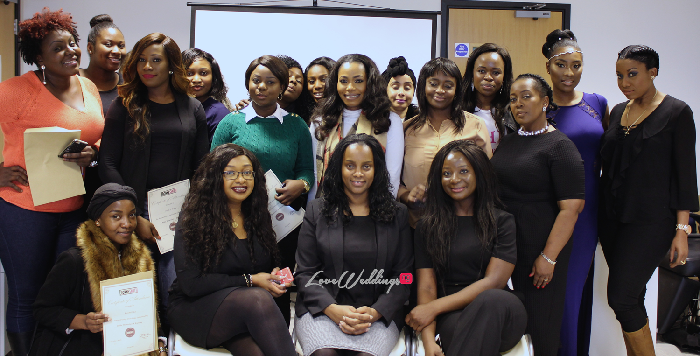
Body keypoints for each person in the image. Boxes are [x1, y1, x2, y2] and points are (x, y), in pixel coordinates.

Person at [0, 9, 104, 355]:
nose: (71, 51)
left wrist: (92, 153)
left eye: (72, 43)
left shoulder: (88, 86)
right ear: (38, 57)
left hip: (72, 209)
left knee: (65, 294)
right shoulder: (16, 91)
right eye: (57, 48)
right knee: (26, 294)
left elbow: (96, 137)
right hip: (23, 210)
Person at [98, 32, 209, 329]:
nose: (147, 66)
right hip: (132, 214)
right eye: (142, 60)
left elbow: (201, 166)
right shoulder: (125, 105)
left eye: (156, 60)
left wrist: (191, 211)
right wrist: (133, 215)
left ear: (171, 65)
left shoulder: (192, 107)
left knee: (175, 289)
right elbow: (107, 162)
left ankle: (171, 344)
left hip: (178, 214)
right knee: (137, 297)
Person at [599, 45, 698, 355]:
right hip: (614, 217)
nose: (625, 82)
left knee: (621, 297)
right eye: (619, 76)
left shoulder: (677, 112)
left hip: (652, 220)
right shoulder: (617, 111)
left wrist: (682, 229)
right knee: (632, 297)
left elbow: (685, 176)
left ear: (652, 72)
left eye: (632, 74)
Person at [210, 54, 314, 325]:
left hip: (283, 222)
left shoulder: (297, 125)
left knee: (279, 286)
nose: (262, 87)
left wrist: (301, 185)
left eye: (270, 81)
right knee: (244, 284)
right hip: (237, 220)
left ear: (282, 87)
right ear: (247, 84)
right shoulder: (231, 123)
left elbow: (307, 172)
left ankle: (279, 338)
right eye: (256, 80)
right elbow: (212, 171)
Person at [168, 144, 296, 356]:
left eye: (247, 172)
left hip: (242, 311)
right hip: (196, 308)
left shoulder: (257, 214)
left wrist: (274, 277)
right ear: (215, 177)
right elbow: (191, 284)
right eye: (231, 173)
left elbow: (265, 265)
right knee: (257, 298)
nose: (241, 179)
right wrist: (251, 280)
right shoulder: (193, 218)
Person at [491, 74, 585, 356]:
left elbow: (572, 209)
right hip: (508, 246)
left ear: (545, 102)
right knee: (514, 326)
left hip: (540, 249)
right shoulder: (508, 142)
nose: (518, 104)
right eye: (513, 99)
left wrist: (548, 257)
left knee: (541, 326)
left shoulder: (560, 146)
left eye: (526, 96)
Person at [295, 134, 413, 356]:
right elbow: (304, 273)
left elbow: (404, 276)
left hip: (377, 315)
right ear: (339, 168)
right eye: (350, 165)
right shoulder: (316, 211)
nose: (358, 173)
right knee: (324, 354)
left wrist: (376, 312)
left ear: (377, 169)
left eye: (366, 166)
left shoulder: (398, 215)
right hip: (322, 310)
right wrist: (332, 310)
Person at [406, 140, 527, 356]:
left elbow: (495, 282)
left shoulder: (502, 221)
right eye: (446, 173)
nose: (455, 179)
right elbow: (426, 288)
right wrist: (428, 342)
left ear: (480, 174)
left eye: (463, 171)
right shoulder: (427, 226)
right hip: (453, 314)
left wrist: (433, 308)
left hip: (501, 311)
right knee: (464, 332)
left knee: (491, 299)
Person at [31, 183, 166, 356]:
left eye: (132, 215)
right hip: (84, 347)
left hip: (133, 346)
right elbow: (42, 310)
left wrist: (160, 344)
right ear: (98, 220)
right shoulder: (75, 261)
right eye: (116, 216)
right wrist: (83, 321)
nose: (127, 223)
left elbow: (149, 313)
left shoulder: (142, 259)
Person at [541, 29, 609, 356]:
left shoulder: (597, 103)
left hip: (588, 211)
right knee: (553, 290)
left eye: (577, 65)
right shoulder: (540, 105)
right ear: (548, 66)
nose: (570, 73)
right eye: (562, 65)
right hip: (550, 209)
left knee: (575, 291)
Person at [400, 57, 491, 228]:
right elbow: (392, 177)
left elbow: (487, 177)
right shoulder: (406, 129)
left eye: (448, 85)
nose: (440, 90)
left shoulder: (475, 125)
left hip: (464, 224)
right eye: (433, 83)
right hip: (418, 224)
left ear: (456, 90)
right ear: (423, 87)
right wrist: (407, 196)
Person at [311, 54, 403, 200]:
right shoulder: (321, 120)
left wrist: (383, 215)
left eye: (358, 81)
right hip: (327, 207)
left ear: (370, 83)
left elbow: (392, 175)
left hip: (372, 210)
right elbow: (316, 173)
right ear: (335, 83)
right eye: (343, 81)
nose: (350, 88)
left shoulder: (389, 120)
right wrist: (313, 213)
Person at [461, 43, 517, 154]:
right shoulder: (457, 108)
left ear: (504, 77)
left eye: (496, 72)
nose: (488, 77)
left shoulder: (513, 110)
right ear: (472, 74)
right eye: (481, 71)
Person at [79, 14, 126, 116]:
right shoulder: (72, 80)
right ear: (90, 48)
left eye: (121, 46)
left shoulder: (128, 86)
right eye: (108, 44)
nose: (117, 51)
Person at [182, 48, 233, 142]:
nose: (196, 79)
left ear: (213, 77)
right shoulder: (173, 107)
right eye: (189, 73)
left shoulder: (218, 113)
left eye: (203, 73)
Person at [381, 56, 419, 121]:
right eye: (395, 87)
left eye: (407, 88)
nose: (401, 93)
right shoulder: (372, 122)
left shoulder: (421, 123)